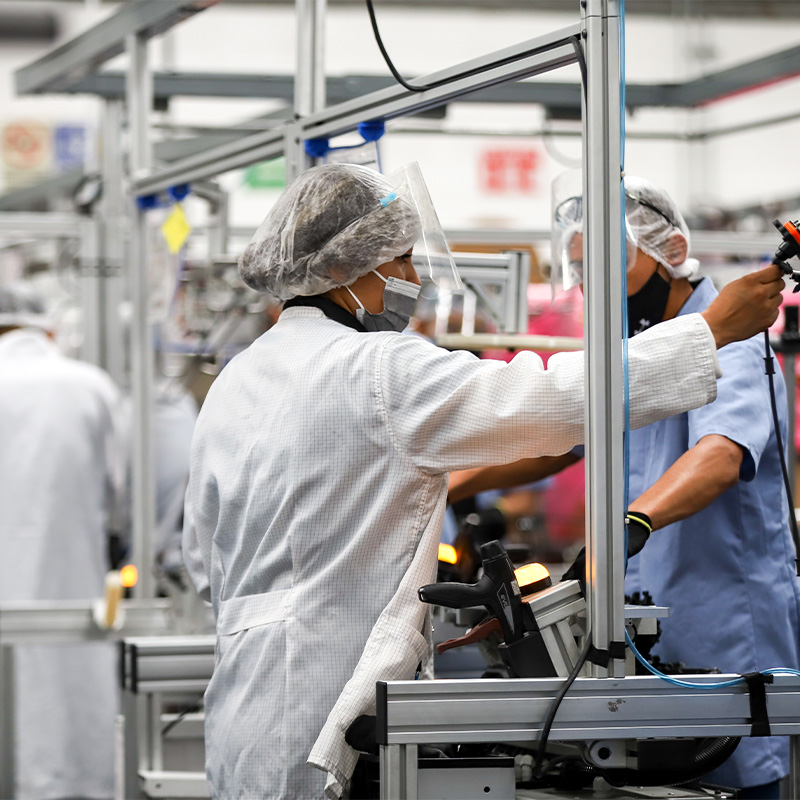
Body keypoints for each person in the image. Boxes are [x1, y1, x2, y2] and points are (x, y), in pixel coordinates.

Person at [181, 163, 784, 800]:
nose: (412, 280)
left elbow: (202, 559)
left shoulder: (236, 382)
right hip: (329, 711)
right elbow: (544, 398)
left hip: (242, 709)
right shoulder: (378, 367)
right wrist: (711, 331)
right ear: (338, 268)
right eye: (402, 261)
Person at [449, 176, 800, 800]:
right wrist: (449, 484)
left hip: (720, 620)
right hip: (642, 620)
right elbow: (562, 440)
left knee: (730, 778)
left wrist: (628, 525)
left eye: (610, 264)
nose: (594, 285)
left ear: (669, 250)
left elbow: (719, 455)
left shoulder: (737, 342)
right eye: (583, 269)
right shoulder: (642, 350)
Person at [0, 283, 124, 800]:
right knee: (72, 725)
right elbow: (122, 498)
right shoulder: (89, 385)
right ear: (46, 328)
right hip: (74, 592)